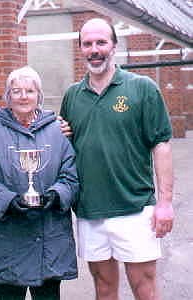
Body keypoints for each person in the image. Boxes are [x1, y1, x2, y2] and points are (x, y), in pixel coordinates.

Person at [60, 18, 174, 300]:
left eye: (101, 42)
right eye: (87, 44)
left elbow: (161, 145)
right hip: (90, 212)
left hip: (135, 209)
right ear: (81, 48)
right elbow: (67, 148)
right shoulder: (72, 96)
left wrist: (165, 202)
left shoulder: (142, 88)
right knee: (104, 289)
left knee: (144, 288)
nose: (94, 49)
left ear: (114, 45)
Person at [0, 66, 79, 300]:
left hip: (49, 241)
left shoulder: (57, 130)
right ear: (7, 97)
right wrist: (7, 201)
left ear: (39, 96)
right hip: (6, 240)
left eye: (29, 91)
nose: (23, 96)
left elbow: (71, 175)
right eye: (16, 91)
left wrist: (56, 195)